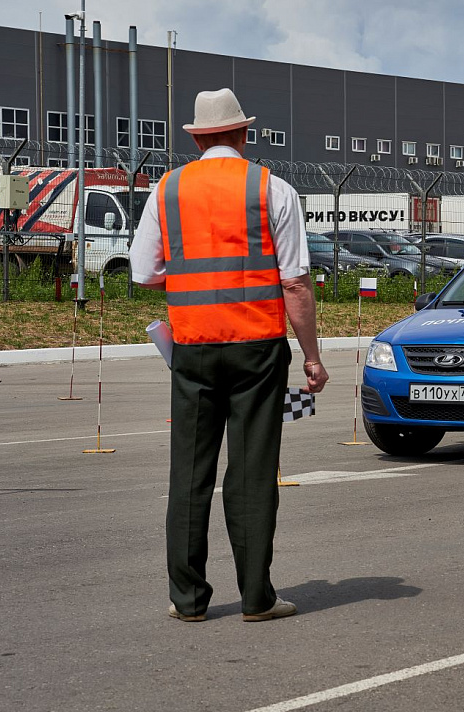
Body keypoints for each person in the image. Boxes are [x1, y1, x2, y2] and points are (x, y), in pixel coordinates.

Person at [131, 88, 329, 623]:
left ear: (197, 138)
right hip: (257, 351)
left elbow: (143, 272)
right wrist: (311, 357)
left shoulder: (166, 191)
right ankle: (257, 598)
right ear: (243, 134)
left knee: (189, 474)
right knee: (252, 473)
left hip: (192, 348)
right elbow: (295, 283)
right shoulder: (273, 189)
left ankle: (189, 600)